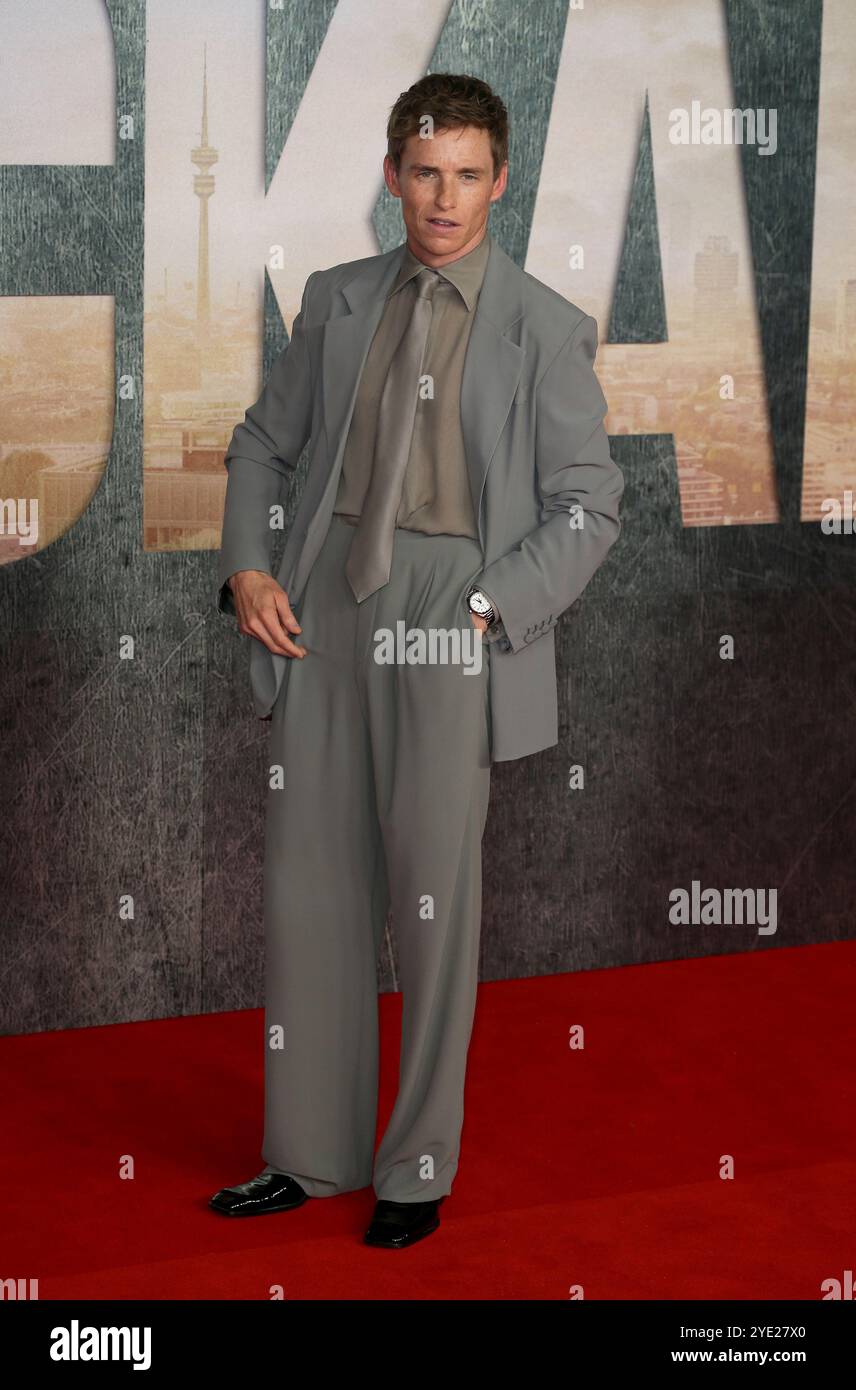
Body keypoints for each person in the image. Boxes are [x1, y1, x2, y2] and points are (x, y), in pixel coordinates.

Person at [209, 73, 624, 1248]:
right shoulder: (336, 299)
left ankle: (414, 1166)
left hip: (457, 604)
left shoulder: (543, 327)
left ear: (500, 180)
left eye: (468, 175)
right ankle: (308, 1152)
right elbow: (258, 444)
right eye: (424, 172)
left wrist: (493, 608)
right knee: (310, 886)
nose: (444, 198)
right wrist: (248, 568)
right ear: (393, 175)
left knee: (435, 903)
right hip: (326, 594)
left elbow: (591, 506)